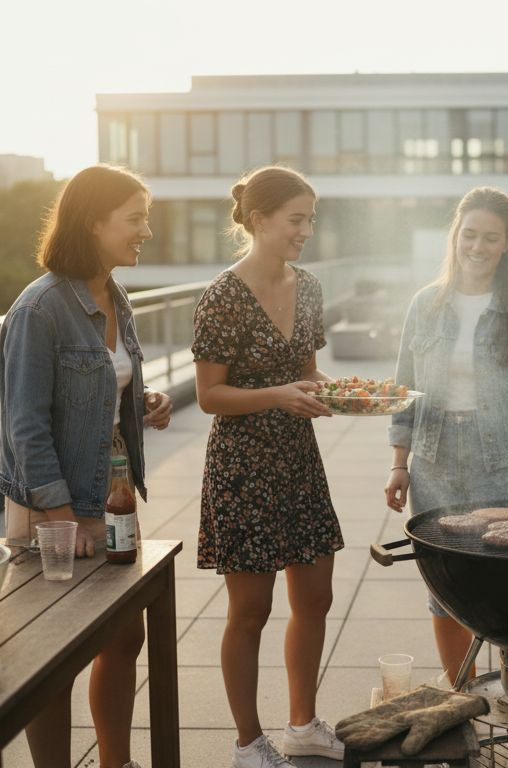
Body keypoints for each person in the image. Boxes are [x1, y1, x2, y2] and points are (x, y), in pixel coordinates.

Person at [0, 164, 174, 768]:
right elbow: (27, 426)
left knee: (125, 635)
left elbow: (103, 382)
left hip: (113, 496)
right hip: (58, 512)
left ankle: (115, 764)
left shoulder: (115, 295)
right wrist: (66, 519)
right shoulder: (39, 309)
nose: (145, 230)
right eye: (135, 218)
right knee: (54, 658)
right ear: (93, 222)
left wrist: (139, 401)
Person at [192, 165, 346, 768]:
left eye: (310, 219)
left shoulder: (308, 287)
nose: (306, 230)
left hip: (298, 461)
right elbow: (210, 396)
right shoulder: (221, 297)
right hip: (242, 468)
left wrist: (348, 395)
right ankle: (248, 744)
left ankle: (303, 724)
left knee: (316, 598)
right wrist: (280, 394)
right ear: (259, 221)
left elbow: (308, 372)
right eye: (296, 220)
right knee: (249, 612)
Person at [384, 186, 508, 681]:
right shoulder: (424, 305)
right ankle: (461, 699)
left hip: (501, 463)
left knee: (507, 587)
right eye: (470, 235)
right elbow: (405, 390)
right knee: (445, 591)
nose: (478, 247)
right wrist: (399, 464)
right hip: (434, 464)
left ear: (507, 244)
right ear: (455, 237)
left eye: (490, 238)